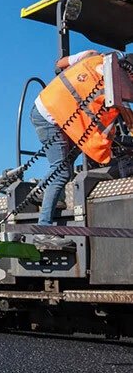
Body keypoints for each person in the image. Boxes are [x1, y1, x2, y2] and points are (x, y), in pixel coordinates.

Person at [29, 49, 118, 248]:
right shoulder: (114, 85)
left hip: (46, 108)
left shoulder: (90, 55)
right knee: (61, 172)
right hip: (49, 117)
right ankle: (43, 230)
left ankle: (41, 191)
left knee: (70, 157)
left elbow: (58, 64)